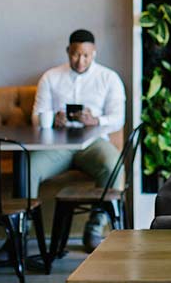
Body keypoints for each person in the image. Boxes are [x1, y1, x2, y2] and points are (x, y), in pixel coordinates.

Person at [30, 29, 126, 252]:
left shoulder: (108, 78)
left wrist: (95, 120)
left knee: (114, 167)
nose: (80, 60)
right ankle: (20, 230)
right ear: (67, 51)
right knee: (27, 168)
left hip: (93, 142)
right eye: (75, 54)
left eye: (85, 55)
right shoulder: (51, 77)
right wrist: (54, 119)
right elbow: (36, 117)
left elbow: (118, 119)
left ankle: (95, 227)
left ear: (94, 53)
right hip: (58, 144)